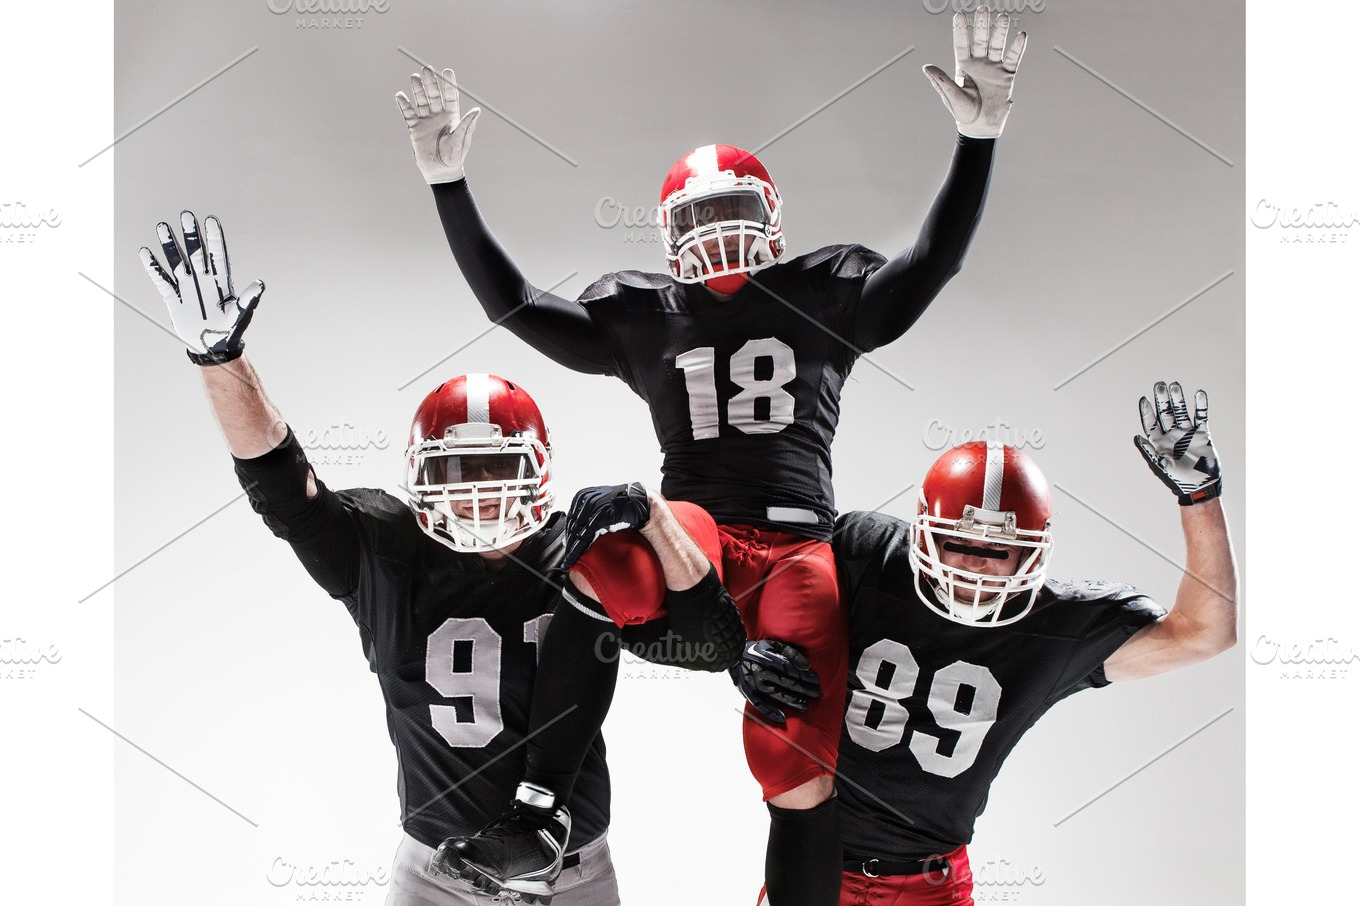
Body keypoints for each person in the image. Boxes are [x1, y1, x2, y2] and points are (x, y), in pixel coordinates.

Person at [394, 9, 1027, 905]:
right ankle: (541, 816)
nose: (721, 232)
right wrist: (449, 184)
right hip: (695, 531)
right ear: (666, 233)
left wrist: (977, 140)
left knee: (792, 752)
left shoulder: (823, 292)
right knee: (602, 557)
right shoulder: (646, 317)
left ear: (771, 220)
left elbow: (931, 263)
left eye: (734, 211)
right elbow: (519, 309)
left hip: (802, 547)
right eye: (704, 215)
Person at [136, 211, 806, 905]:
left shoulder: (581, 555)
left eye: (495, 467)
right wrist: (222, 361)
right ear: (423, 477)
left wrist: (723, 633)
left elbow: (697, 642)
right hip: (436, 875)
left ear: (538, 468)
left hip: (569, 872)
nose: (481, 492)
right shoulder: (384, 548)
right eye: (460, 470)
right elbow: (281, 484)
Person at [774, 382, 1236, 905]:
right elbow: (759, 592)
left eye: (998, 549)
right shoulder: (863, 553)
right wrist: (750, 654)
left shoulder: (1056, 625)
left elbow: (1206, 632)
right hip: (810, 858)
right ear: (923, 533)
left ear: (1032, 555)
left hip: (930, 886)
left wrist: (1199, 498)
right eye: (959, 543)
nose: (975, 562)